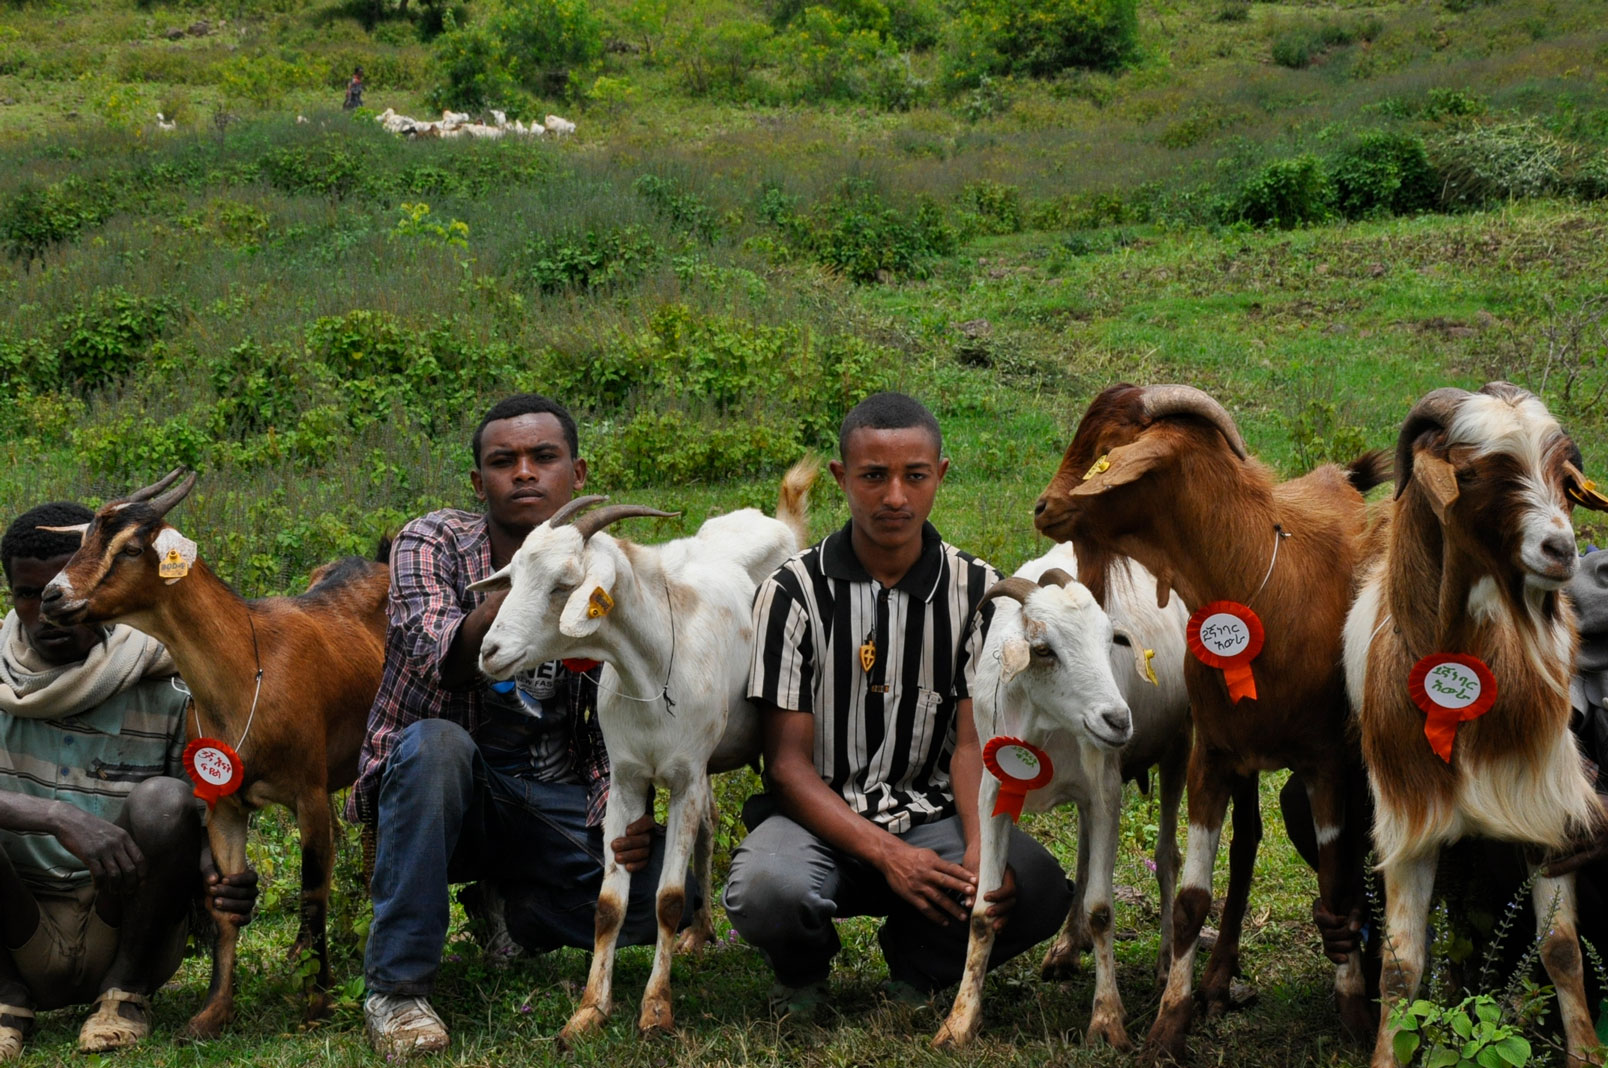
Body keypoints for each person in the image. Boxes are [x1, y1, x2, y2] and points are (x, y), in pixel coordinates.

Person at [352, 393, 697, 1058]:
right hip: (442, 794)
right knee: (436, 748)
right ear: (479, 483)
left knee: (664, 893)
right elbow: (441, 660)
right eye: (503, 462)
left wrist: (616, 817)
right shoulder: (432, 542)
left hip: (548, 798)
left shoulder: (613, 570)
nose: (525, 473)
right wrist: (536, 581)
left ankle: (517, 910)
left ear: (579, 473)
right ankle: (396, 991)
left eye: (544, 457)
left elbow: (623, 713)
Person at [723, 392, 1073, 1019]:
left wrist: (977, 847)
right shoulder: (791, 593)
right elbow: (787, 767)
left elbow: (973, 743)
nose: (894, 498)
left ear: (939, 474)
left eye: (914, 476)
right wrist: (888, 856)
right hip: (817, 820)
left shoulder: (976, 590)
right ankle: (802, 973)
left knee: (1036, 888)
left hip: (934, 812)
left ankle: (920, 965)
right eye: (873, 476)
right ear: (841, 478)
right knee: (766, 890)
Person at [0, 503, 256, 1060]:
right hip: (15, 925)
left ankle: (124, 992)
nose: (47, 611)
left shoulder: (167, 681)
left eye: (64, 586)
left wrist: (222, 876)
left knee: (165, 801)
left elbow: (197, 814)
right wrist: (54, 815)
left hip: (120, 922)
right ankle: (6, 996)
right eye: (27, 594)